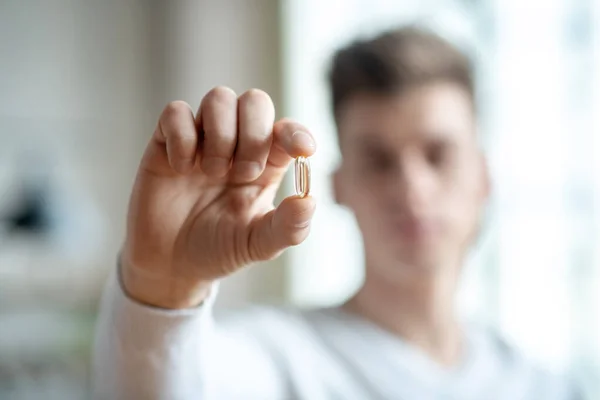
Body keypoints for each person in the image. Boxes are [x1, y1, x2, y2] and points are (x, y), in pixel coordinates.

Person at [92, 26, 580, 399]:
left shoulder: (549, 386)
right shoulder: (275, 357)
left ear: (484, 177)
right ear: (338, 186)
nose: (411, 186)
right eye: (378, 159)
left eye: (438, 154)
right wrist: (164, 288)